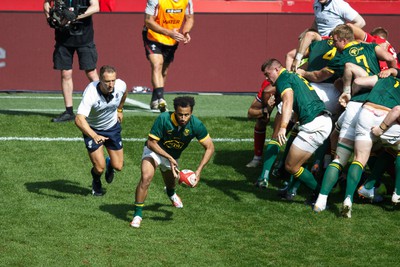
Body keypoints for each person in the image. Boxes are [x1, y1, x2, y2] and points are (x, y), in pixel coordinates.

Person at [130, 96, 214, 228]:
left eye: (187, 115)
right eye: (180, 114)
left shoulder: (196, 124)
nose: (183, 118)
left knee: (170, 184)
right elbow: (152, 143)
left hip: (173, 158)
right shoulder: (163, 119)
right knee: (146, 178)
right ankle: (137, 214)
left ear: (191, 113)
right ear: (175, 111)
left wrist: (198, 171)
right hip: (154, 152)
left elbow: (210, 147)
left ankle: (171, 193)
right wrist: (169, 158)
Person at [262, 58, 332, 200]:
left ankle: (321, 194)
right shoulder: (292, 76)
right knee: (295, 163)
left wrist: (282, 127)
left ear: (276, 69)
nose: (267, 78)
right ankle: (297, 191)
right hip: (318, 120)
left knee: (291, 166)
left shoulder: (283, 79)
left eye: (268, 74)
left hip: (315, 125)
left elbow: (288, 100)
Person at [75, 65, 127, 196]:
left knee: (118, 166)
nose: (111, 84)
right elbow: (79, 119)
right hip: (93, 129)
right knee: (99, 168)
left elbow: (124, 93)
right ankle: (96, 181)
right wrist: (94, 135)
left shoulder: (120, 85)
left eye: (113, 80)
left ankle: (110, 163)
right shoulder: (91, 93)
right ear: (100, 80)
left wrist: (120, 109)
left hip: (112, 127)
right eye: (107, 81)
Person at [44, 0, 100, 122]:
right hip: (63, 38)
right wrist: (49, 18)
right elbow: (46, 3)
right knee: (65, 73)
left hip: (84, 38)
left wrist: (75, 16)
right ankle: (69, 112)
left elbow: (96, 7)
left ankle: (104, 106)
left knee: (91, 72)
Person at [142, 0, 194, 112]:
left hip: (172, 39)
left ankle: (155, 100)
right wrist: (168, 32)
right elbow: (148, 21)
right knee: (157, 64)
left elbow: (189, 18)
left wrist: (185, 32)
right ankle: (161, 99)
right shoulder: (156, 1)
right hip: (153, 36)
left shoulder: (187, 1)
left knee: (164, 71)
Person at [246, 79, 276, 168]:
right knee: (262, 120)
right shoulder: (268, 86)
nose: (267, 78)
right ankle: (257, 157)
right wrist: (266, 109)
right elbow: (250, 113)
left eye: (268, 74)